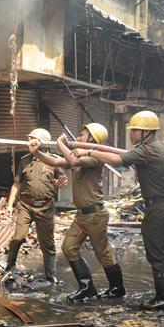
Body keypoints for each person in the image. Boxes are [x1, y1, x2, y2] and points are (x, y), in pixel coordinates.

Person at [78, 111, 164, 310]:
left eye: (135, 130)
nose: (131, 134)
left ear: (146, 132)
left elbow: (117, 160)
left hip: (159, 207)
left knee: (155, 253)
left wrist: (89, 152)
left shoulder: (145, 150)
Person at [28, 124, 125, 300]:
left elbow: (73, 162)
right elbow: (55, 162)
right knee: (68, 248)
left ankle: (117, 289)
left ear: (92, 140)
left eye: (82, 135)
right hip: (82, 215)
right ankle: (87, 288)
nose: (78, 138)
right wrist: (36, 152)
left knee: (103, 253)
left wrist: (60, 143)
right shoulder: (78, 156)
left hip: (95, 215)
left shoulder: (94, 158)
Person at [5, 128, 68, 282]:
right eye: (29, 139)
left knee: (47, 244)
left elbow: (62, 181)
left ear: (43, 142)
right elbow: (16, 184)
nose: (29, 142)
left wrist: (59, 184)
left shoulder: (54, 160)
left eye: (33, 139)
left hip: (45, 208)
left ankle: (50, 275)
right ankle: (10, 265)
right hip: (25, 206)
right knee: (18, 237)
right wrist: (9, 205)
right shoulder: (25, 160)